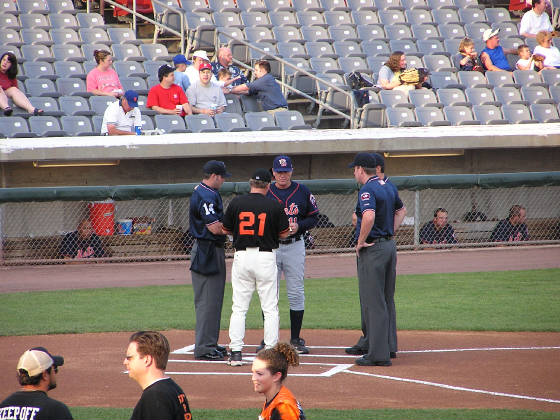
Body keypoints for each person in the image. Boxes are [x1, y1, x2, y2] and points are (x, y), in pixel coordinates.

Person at [222, 169, 290, 366]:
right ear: (268, 185)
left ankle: (235, 352)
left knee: (239, 307)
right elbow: (284, 234)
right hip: (265, 257)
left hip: (242, 255)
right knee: (270, 309)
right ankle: (269, 352)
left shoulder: (237, 202)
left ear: (250, 183)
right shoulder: (274, 204)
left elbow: (226, 229)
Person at [346, 152, 406, 366]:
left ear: (361, 169)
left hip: (374, 249)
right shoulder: (387, 185)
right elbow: (401, 210)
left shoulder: (368, 189)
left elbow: (368, 216)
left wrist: (361, 241)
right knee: (386, 298)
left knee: (374, 302)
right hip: (389, 246)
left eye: (355, 169)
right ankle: (388, 347)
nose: (354, 172)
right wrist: (390, 231)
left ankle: (378, 355)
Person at [265, 155, 319, 354]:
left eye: (286, 171)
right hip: (271, 247)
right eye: (279, 172)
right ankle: (268, 339)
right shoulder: (266, 192)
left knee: (296, 291)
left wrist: (300, 226)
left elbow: (314, 217)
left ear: (291, 171)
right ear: (273, 172)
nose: (282, 175)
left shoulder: (302, 191)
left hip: (295, 246)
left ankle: (296, 338)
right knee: (270, 294)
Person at [189, 160, 231, 361]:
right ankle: (204, 347)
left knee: (213, 300)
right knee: (207, 301)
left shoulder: (206, 191)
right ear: (215, 176)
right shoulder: (205, 194)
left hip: (210, 250)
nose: (223, 181)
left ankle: (210, 343)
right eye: (222, 177)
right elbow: (214, 228)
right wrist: (236, 231)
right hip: (206, 250)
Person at [124, 331, 192, 420]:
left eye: (130, 358)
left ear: (147, 360)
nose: (125, 362)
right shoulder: (172, 388)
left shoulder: (155, 396)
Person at [0, 346, 73, 420]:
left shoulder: (3, 407)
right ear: (44, 375)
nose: (55, 373)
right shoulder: (55, 410)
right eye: (54, 369)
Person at [251, 343, 306, 420]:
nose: (253, 378)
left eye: (259, 374)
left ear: (276, 376)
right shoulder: (274, 399)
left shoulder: (283, 407)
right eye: (253, 372)